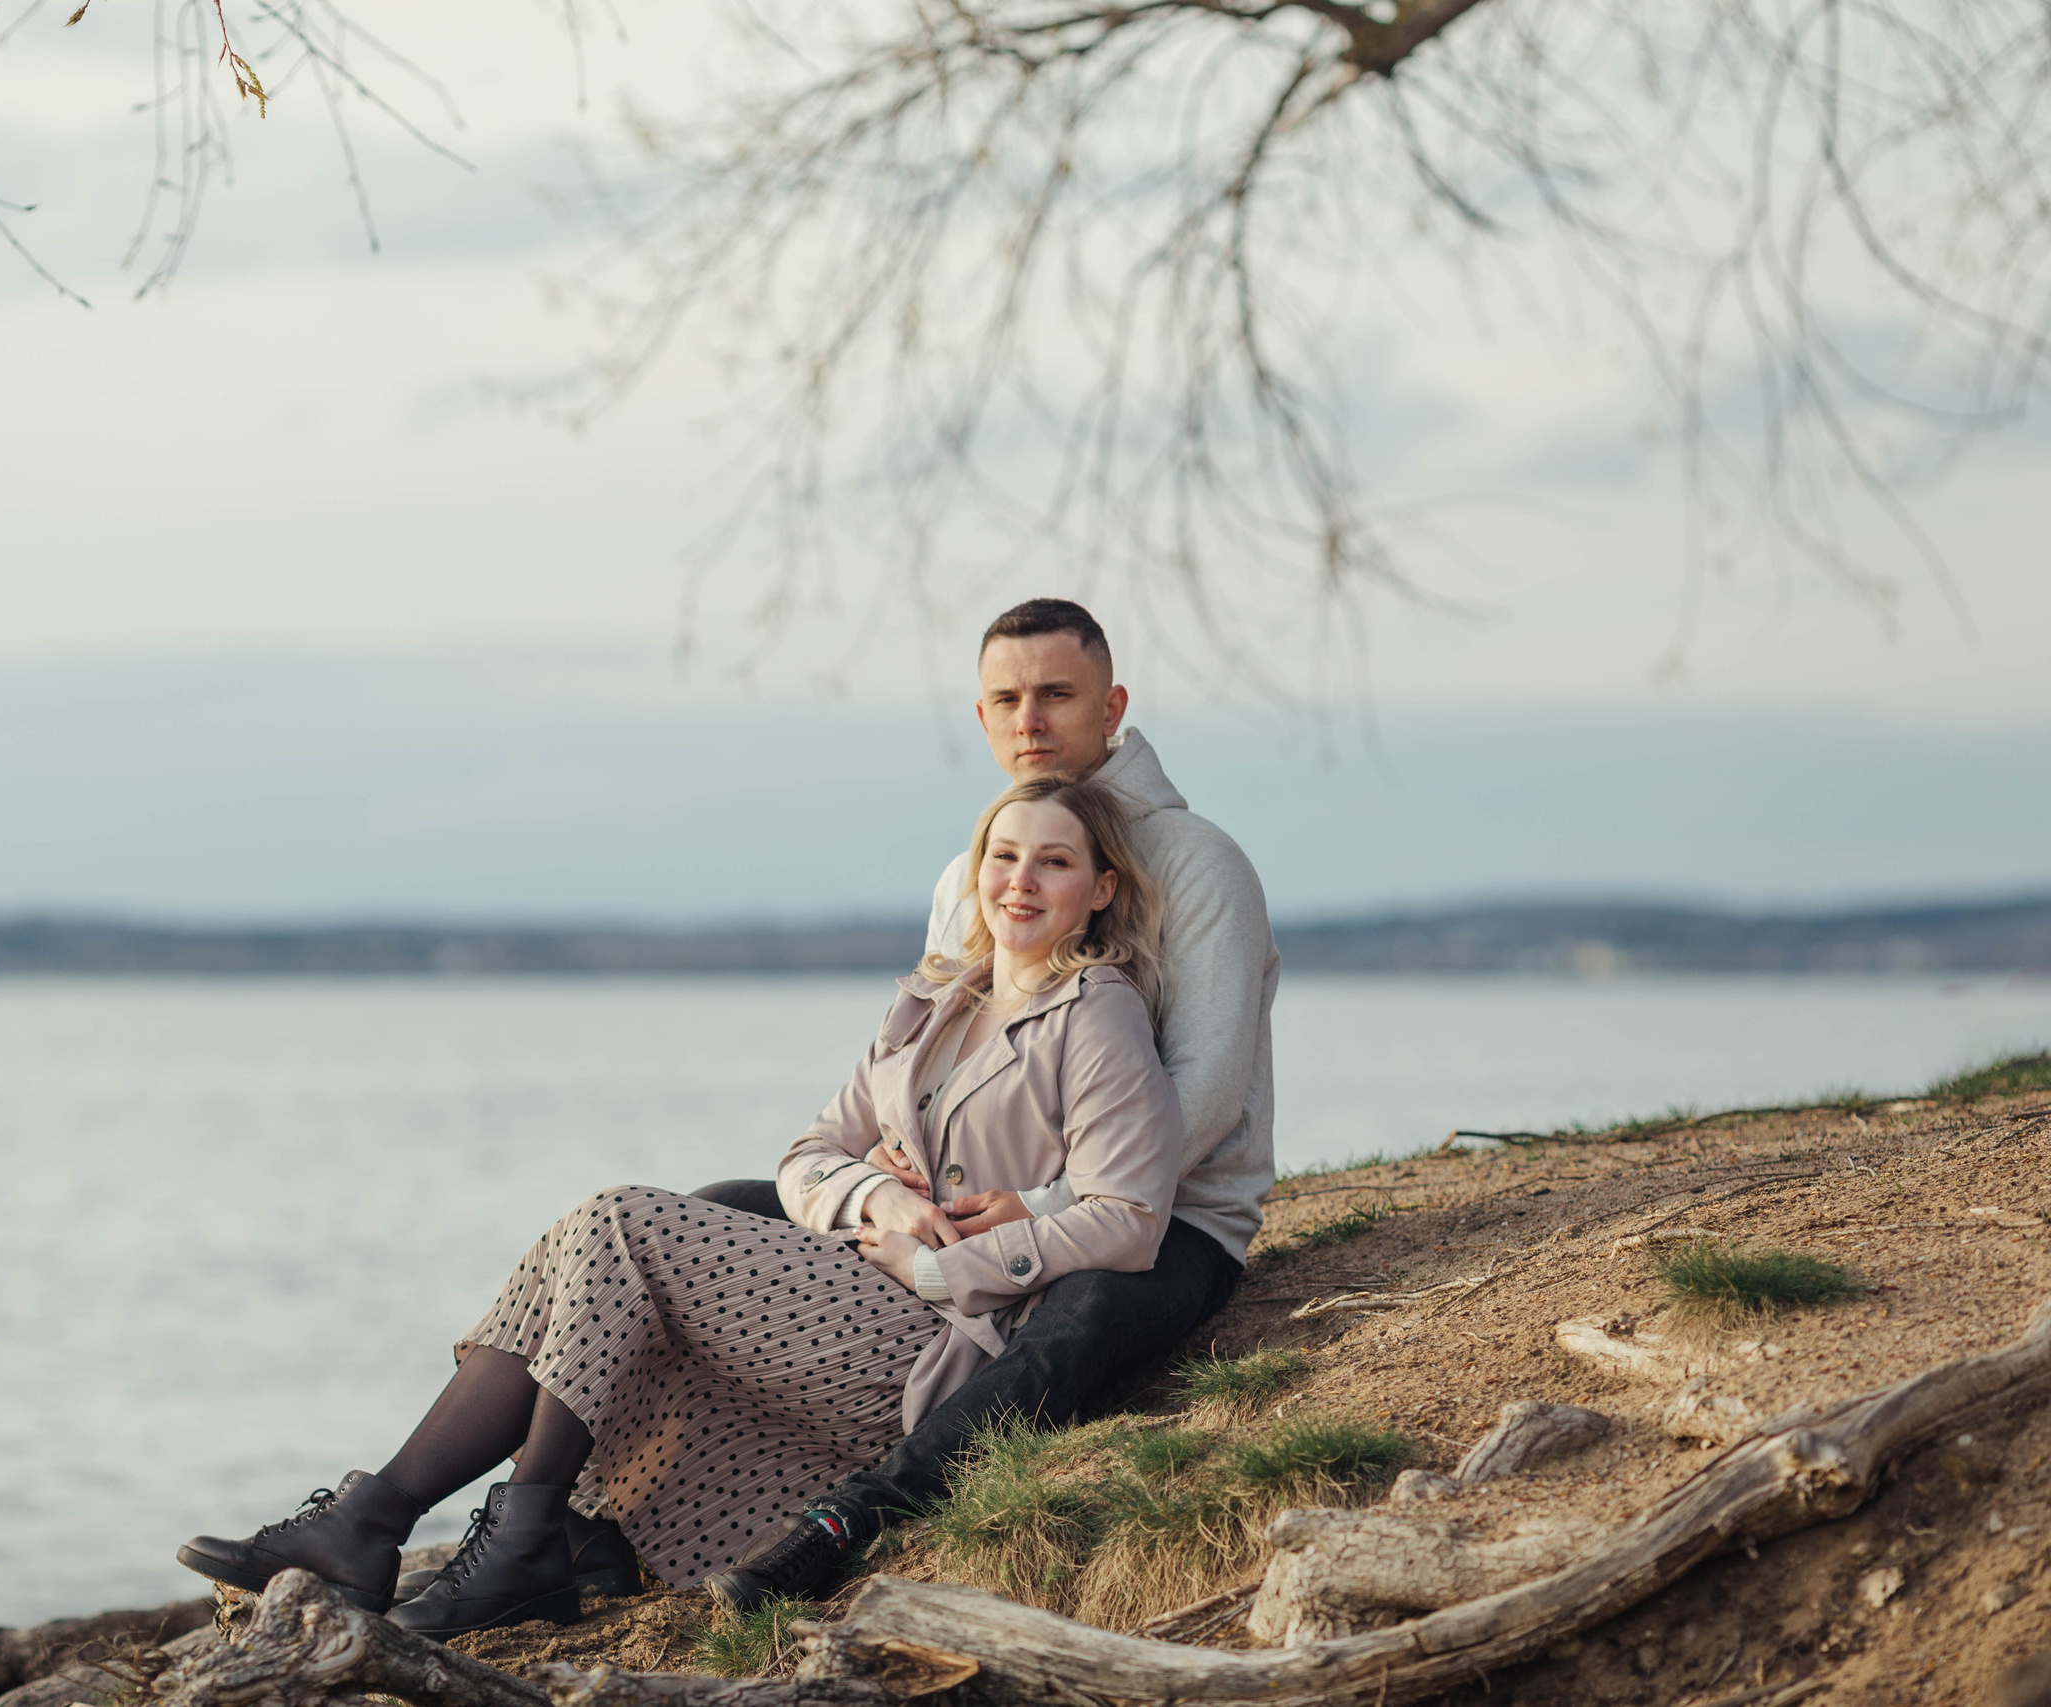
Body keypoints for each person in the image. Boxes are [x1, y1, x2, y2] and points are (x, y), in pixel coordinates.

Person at [175, 774, 1184, 1638]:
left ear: (1098, 891)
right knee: (588, 1241)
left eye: (1052, 863)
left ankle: (461, 1526)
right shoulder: (934, 1000)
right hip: (852, 1293)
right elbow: (809, 1153)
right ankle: (418, 1527)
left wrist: (940, 1264)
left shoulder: (1095, 1018)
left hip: (935, 1337)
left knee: (622, 1221)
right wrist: (873, 1191)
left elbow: (1128, 1218)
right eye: (1003, 856)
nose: (1019, 881)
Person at [696, 596, 1278, 1612]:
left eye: (1056, 694)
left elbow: (1208, 1097)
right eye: (1007, 699)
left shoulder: (1198, 864)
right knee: (718, 1213)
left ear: (1112, 705)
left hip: (1163, 1219)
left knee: (1083, 1309)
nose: (1031, 720)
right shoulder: (970, 874)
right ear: (981, 718)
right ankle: (584, 1522)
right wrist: (886, 1178)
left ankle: (850, 1520)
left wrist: (1044, 1205)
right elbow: (925, 1062)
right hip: (965, 1207)